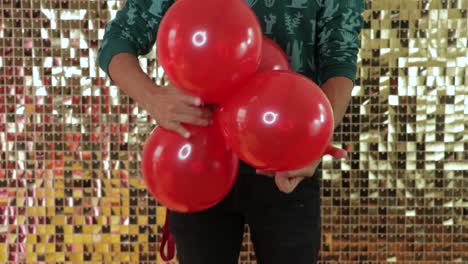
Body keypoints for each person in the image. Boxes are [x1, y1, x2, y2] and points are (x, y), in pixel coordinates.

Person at [98, 0, 364, 263]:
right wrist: (153, 98)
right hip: (195, 156)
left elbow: (340, 58)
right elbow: (118, 39)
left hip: (285, 158)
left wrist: (317, 138)